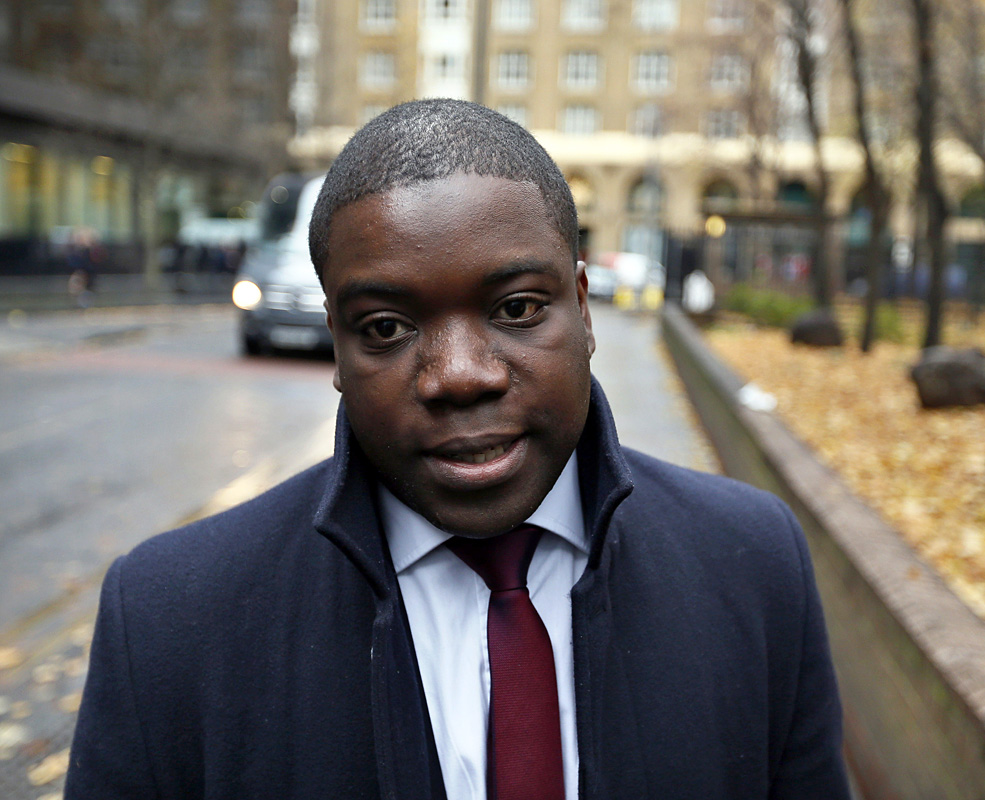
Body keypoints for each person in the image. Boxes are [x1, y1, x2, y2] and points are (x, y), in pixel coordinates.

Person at [66, 99, 851, 799]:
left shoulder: (754, 564)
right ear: (335, 346)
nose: (459, 376)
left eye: (515, 307)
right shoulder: (168, 623)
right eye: (385, 328)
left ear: (582, 307)